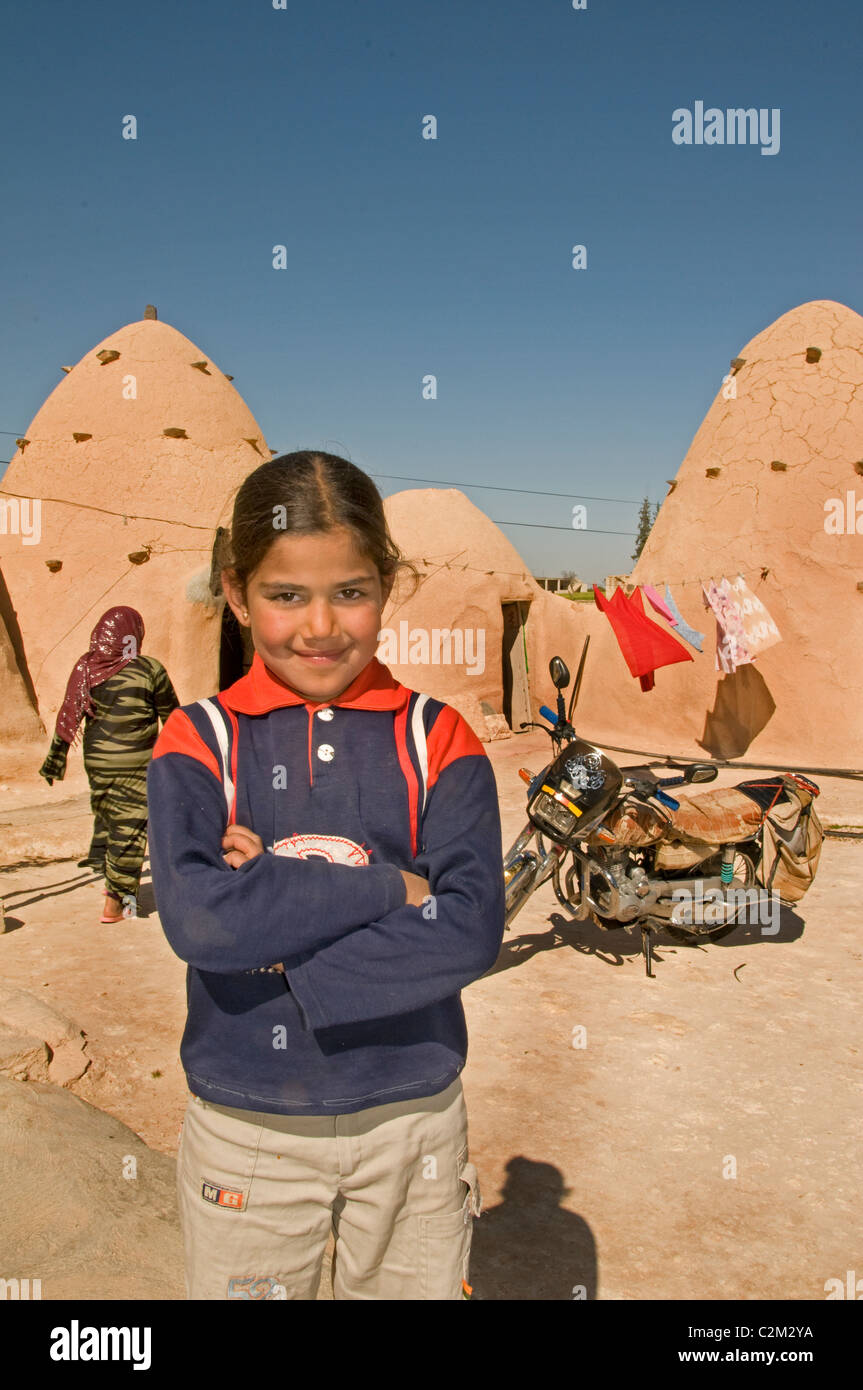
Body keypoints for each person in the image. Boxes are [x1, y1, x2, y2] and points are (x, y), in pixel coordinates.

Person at [146, 450, 505, 1300]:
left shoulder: (438, 739)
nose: (319, 626)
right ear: (236, 594)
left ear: (387, 586)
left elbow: (470, 930)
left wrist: (268, 901)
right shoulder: (199, 742)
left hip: (411, 1120)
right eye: (284, 596)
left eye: (350, 592)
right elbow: (199, 925)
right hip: (247, 1128)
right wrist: (391, 889)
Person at [39, 606, 180, 922]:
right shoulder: (149, 670)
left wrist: (55, 759)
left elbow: (68, 713)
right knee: (129, 828)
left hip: (98, 763)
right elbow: (173, 718)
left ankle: (109, 871)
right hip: (135, 764)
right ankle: (119, 905)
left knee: (112, 816)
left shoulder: (87, 667)